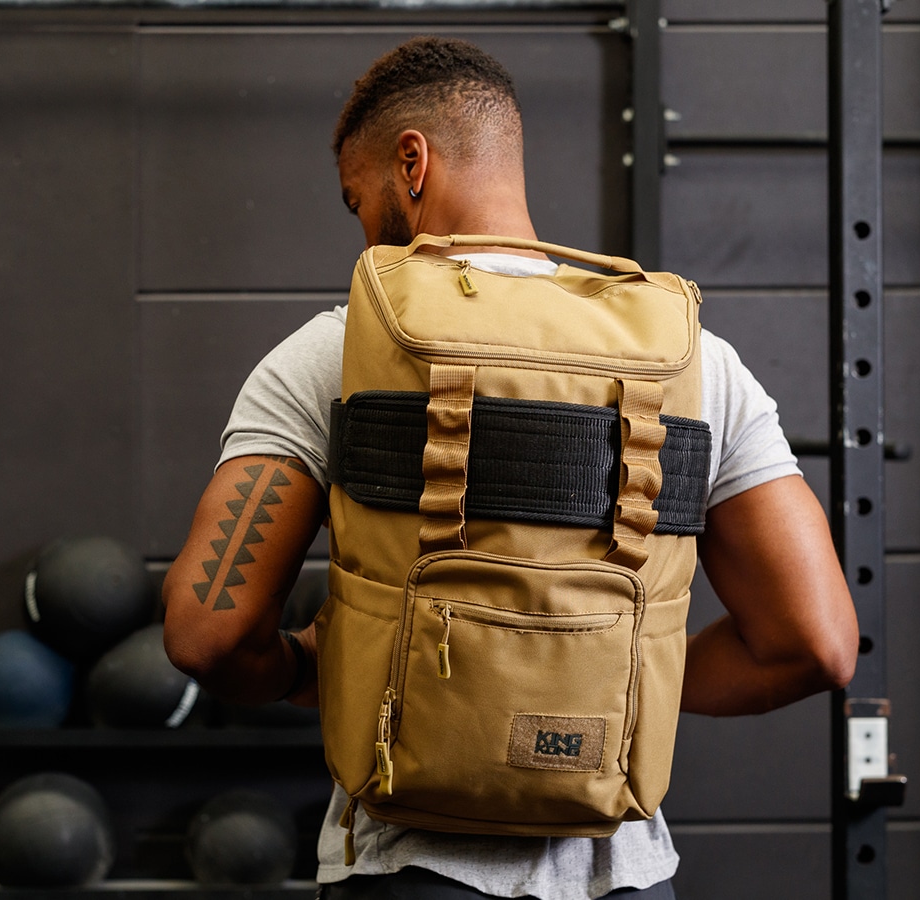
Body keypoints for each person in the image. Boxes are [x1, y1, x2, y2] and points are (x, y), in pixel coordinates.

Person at [162, 36, 858, 900]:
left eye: (359, 197)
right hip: (629, 878)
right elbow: (818, 645)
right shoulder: (692, 361)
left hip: (408, 871)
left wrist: (315, 673)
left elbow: (206, 631)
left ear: (409, 164)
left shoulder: (337, 352)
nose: (362, 222)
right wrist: (601, 684)